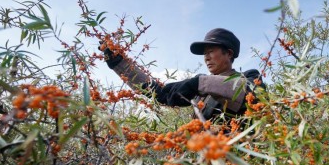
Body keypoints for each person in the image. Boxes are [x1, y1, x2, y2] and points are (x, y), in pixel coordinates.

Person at [102, 28, 264, 121]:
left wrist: (199, 83)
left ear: (229, 53)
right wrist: (121, 65)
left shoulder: (249, 77)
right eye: (204, 54)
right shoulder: (201, 93)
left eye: (211, 51)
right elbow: (158, 92)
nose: (206, 57)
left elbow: (249, 93)